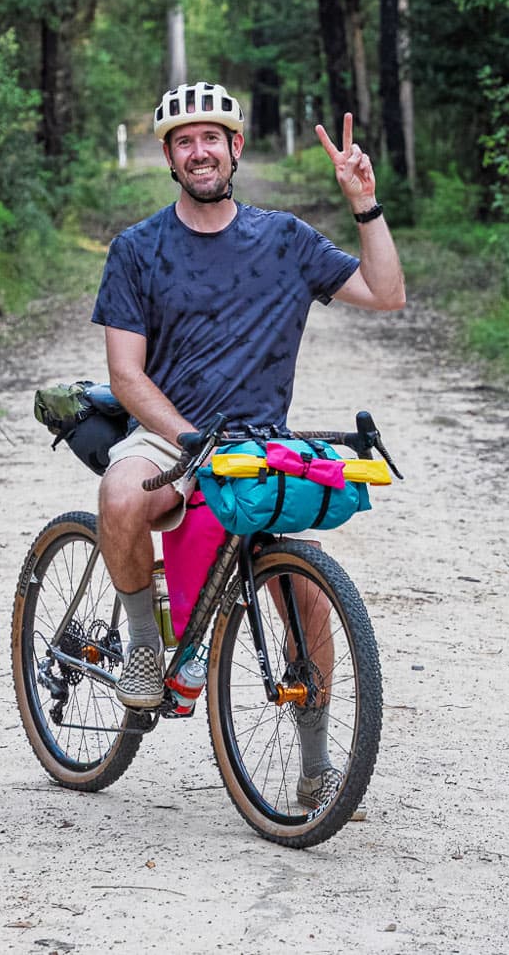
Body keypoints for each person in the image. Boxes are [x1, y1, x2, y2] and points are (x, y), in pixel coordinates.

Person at [89, 80, 406, 802]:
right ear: (169, 157)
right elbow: (126, 375)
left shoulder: (284, 240)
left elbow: (386, 293)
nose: (199, 151)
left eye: (211, 138)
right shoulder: (137, 250)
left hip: (259, 443)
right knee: (121, 492)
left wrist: (364, 202)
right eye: (183, 141)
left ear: (236, 148)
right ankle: (145, 646)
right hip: (172, 433)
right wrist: (185, 436)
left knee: (308, 594)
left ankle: (317, 768)